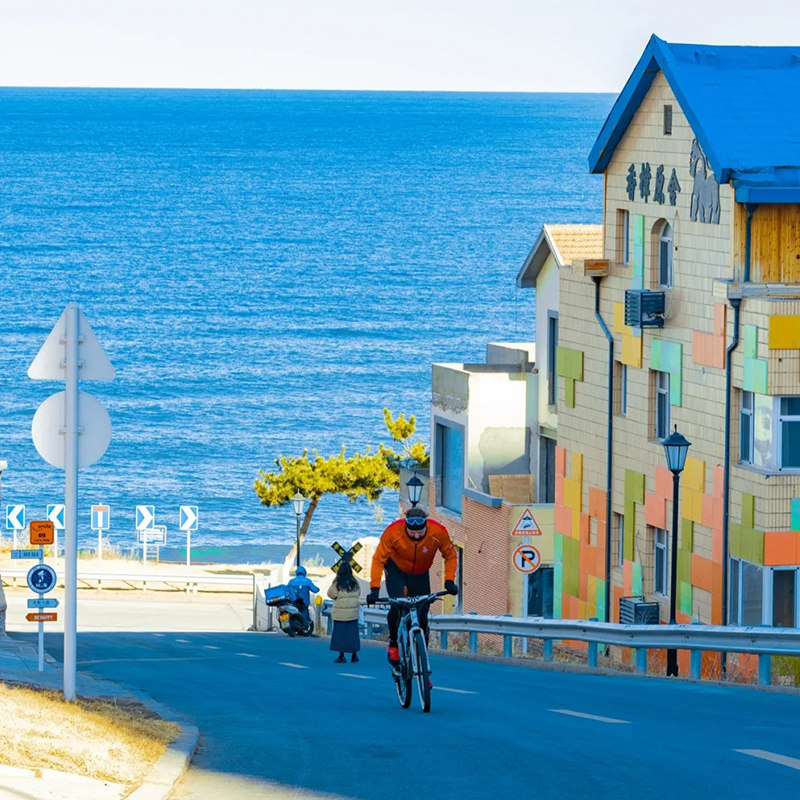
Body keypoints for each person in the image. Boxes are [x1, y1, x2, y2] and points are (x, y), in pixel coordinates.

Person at [367, 507, 458, 665]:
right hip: (395, 569)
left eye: (420, 533)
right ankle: (394, 643)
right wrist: (374, 588)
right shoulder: (393, 532)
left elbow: (450, 555)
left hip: (420, 573)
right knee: (398, 603)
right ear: (405, 527)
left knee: (422, 618)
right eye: (412, 533)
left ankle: (421, 663)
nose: (416, 536)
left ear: (426, 526)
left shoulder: (438, 532)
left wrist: (449, 580)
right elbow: (378, 560)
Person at [327, 560, 362, 663]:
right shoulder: (355, 582)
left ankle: (341, 656)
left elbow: (330, 593)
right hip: (353, 613)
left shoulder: (338, 583)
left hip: (340, 614)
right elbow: (358, 593)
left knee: (340, 635)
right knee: (353, 635)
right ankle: (354, 655)